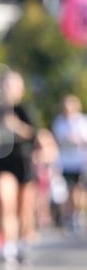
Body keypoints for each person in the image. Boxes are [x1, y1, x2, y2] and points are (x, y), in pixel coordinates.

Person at [0, 71, 37, 270]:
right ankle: (7, 250)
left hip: (23, 163)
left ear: (20, 89)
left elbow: (33, 134)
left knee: (23, 211)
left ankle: (22, 246)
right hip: (3, 163)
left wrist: (16, 126)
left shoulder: (25, 109)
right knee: (5, 203)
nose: (7, 90)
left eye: (12, 86)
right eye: (5, 86)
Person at [51, 94, 87, 232]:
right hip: (65, 162)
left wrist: (77, 139)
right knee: (69, 191)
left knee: (79, 190)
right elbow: (55, 142)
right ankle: (71, 216)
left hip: (80, 162)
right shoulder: (59, 122)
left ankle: (78, 214)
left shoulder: (82, 121)